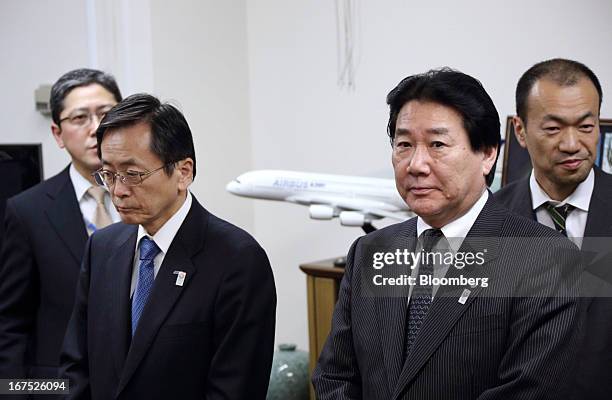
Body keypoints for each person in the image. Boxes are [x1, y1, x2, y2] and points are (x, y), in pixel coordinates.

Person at [312, 68, 582, 399]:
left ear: (487, 154)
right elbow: (334, 377)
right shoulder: (369, 252)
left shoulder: (546, 260)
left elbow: (528, 391)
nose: (416, 164)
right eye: (404, 144)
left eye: (437, 144)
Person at [60, 93, 276, 399]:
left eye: (133, 174)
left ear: (183, 172)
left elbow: (234, 389)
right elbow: (76, 366)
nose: (118, 191)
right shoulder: (102, 248)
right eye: (108, 174)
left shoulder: (237, 260)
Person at [495, 58, 612, 399]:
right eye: (553, 128)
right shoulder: (488, 222)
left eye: (586, 127)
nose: (572, 144)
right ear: (520, 130)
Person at [0, 69, 122, 382]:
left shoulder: (152, 197)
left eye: (106, 114)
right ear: (57, 133)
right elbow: (11, 324)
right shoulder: (27, 211)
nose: (96, 128)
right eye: (80, 118)